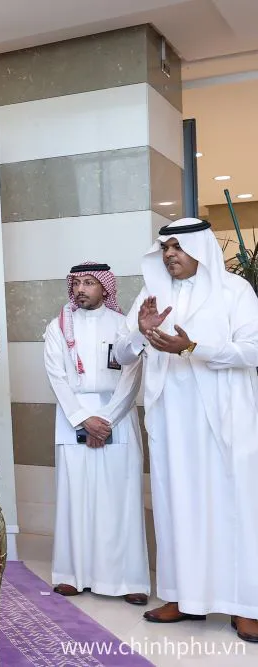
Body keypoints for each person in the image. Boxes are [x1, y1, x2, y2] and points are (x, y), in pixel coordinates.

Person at [113, 218, 258, 642]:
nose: (169, 254)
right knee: (177, 504)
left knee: (233, 506)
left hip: (224, 418)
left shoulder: (235, 290)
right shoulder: (151, 294)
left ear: (200, 247)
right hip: (171, 419)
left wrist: (192, 347)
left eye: (177, 246)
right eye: (165, 247)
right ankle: (182, 597)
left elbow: (253, 349)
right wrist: (140, 332)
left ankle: (244, 605)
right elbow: (121, 353)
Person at [43, 262, 149, 605]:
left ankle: (129, 580)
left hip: (116, 416)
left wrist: (105, 420)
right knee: (76, 498)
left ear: (106, 287)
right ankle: (72, 575)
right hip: (72, 416)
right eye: (77, 283)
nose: (81, 289)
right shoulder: (59, 327)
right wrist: (82, 419)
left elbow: (131, 376)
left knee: (120, 499)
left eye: (89, 282)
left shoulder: (123, 325)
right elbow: (56, 376)